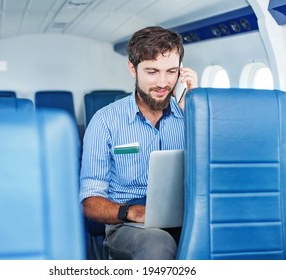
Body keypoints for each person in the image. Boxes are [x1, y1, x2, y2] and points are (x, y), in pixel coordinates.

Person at [79, 26, 198, 260]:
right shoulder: (105, 121)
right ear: (132, 69)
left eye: (171, 71)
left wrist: (196, 111)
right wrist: (131, 212)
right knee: (158, 244)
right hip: (127, 224)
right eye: (152, 71)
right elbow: (90, 203)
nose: (163, 82)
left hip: (188, 215)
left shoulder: (190, 115)